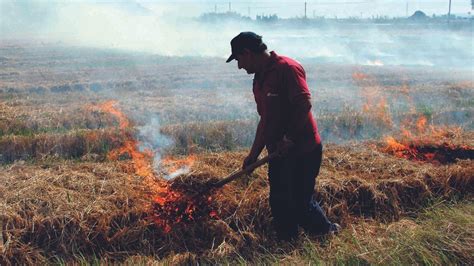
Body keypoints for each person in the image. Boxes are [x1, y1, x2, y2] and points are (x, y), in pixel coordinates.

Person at [226, 32, 340, 241]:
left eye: (239, 60)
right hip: (278, 153)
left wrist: (289, 137)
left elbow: (303, 104)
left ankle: (327, 233)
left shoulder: (287, 69)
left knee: (300, 204)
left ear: (248, 53)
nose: (239, 66)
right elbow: (265, 121)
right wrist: (253, 154)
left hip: (303, 151)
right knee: (279, 204)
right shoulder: (258, 81)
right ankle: (288, 246)